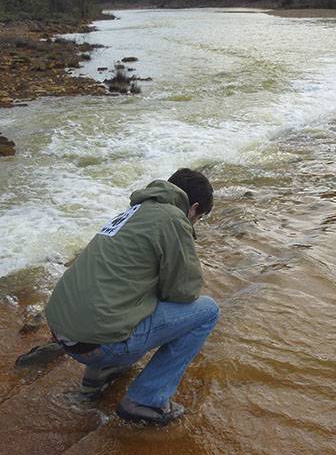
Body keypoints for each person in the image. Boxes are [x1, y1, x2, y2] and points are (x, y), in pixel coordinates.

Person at [45, 168, 219, 426]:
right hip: (99, 344)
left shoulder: (132, 213)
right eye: (199, 218)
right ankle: (146, 400)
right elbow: (184, 292)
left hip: (63, 332)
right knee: (207, 311)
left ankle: (99, 374)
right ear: (193, 208)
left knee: (124, 294)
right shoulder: (174, 218)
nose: (195, 223)